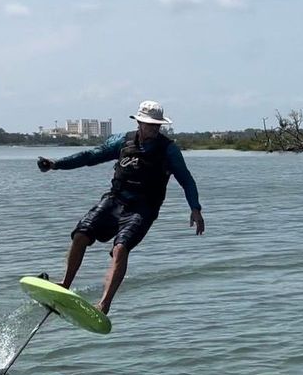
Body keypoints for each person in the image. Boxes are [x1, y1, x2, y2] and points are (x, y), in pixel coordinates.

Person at [37, 100, 205, 314]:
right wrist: (56, 164)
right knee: (80, 234)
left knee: (120, 249)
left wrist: (195, 209)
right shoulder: (122, 142)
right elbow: (90, 156)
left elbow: (186, 180)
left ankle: (103, 305)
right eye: (149, 124)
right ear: (139, 123)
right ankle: (65, 284)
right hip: (114, 200)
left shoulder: (168, 150)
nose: (153, 128)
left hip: (143, 209)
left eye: (157, 125)